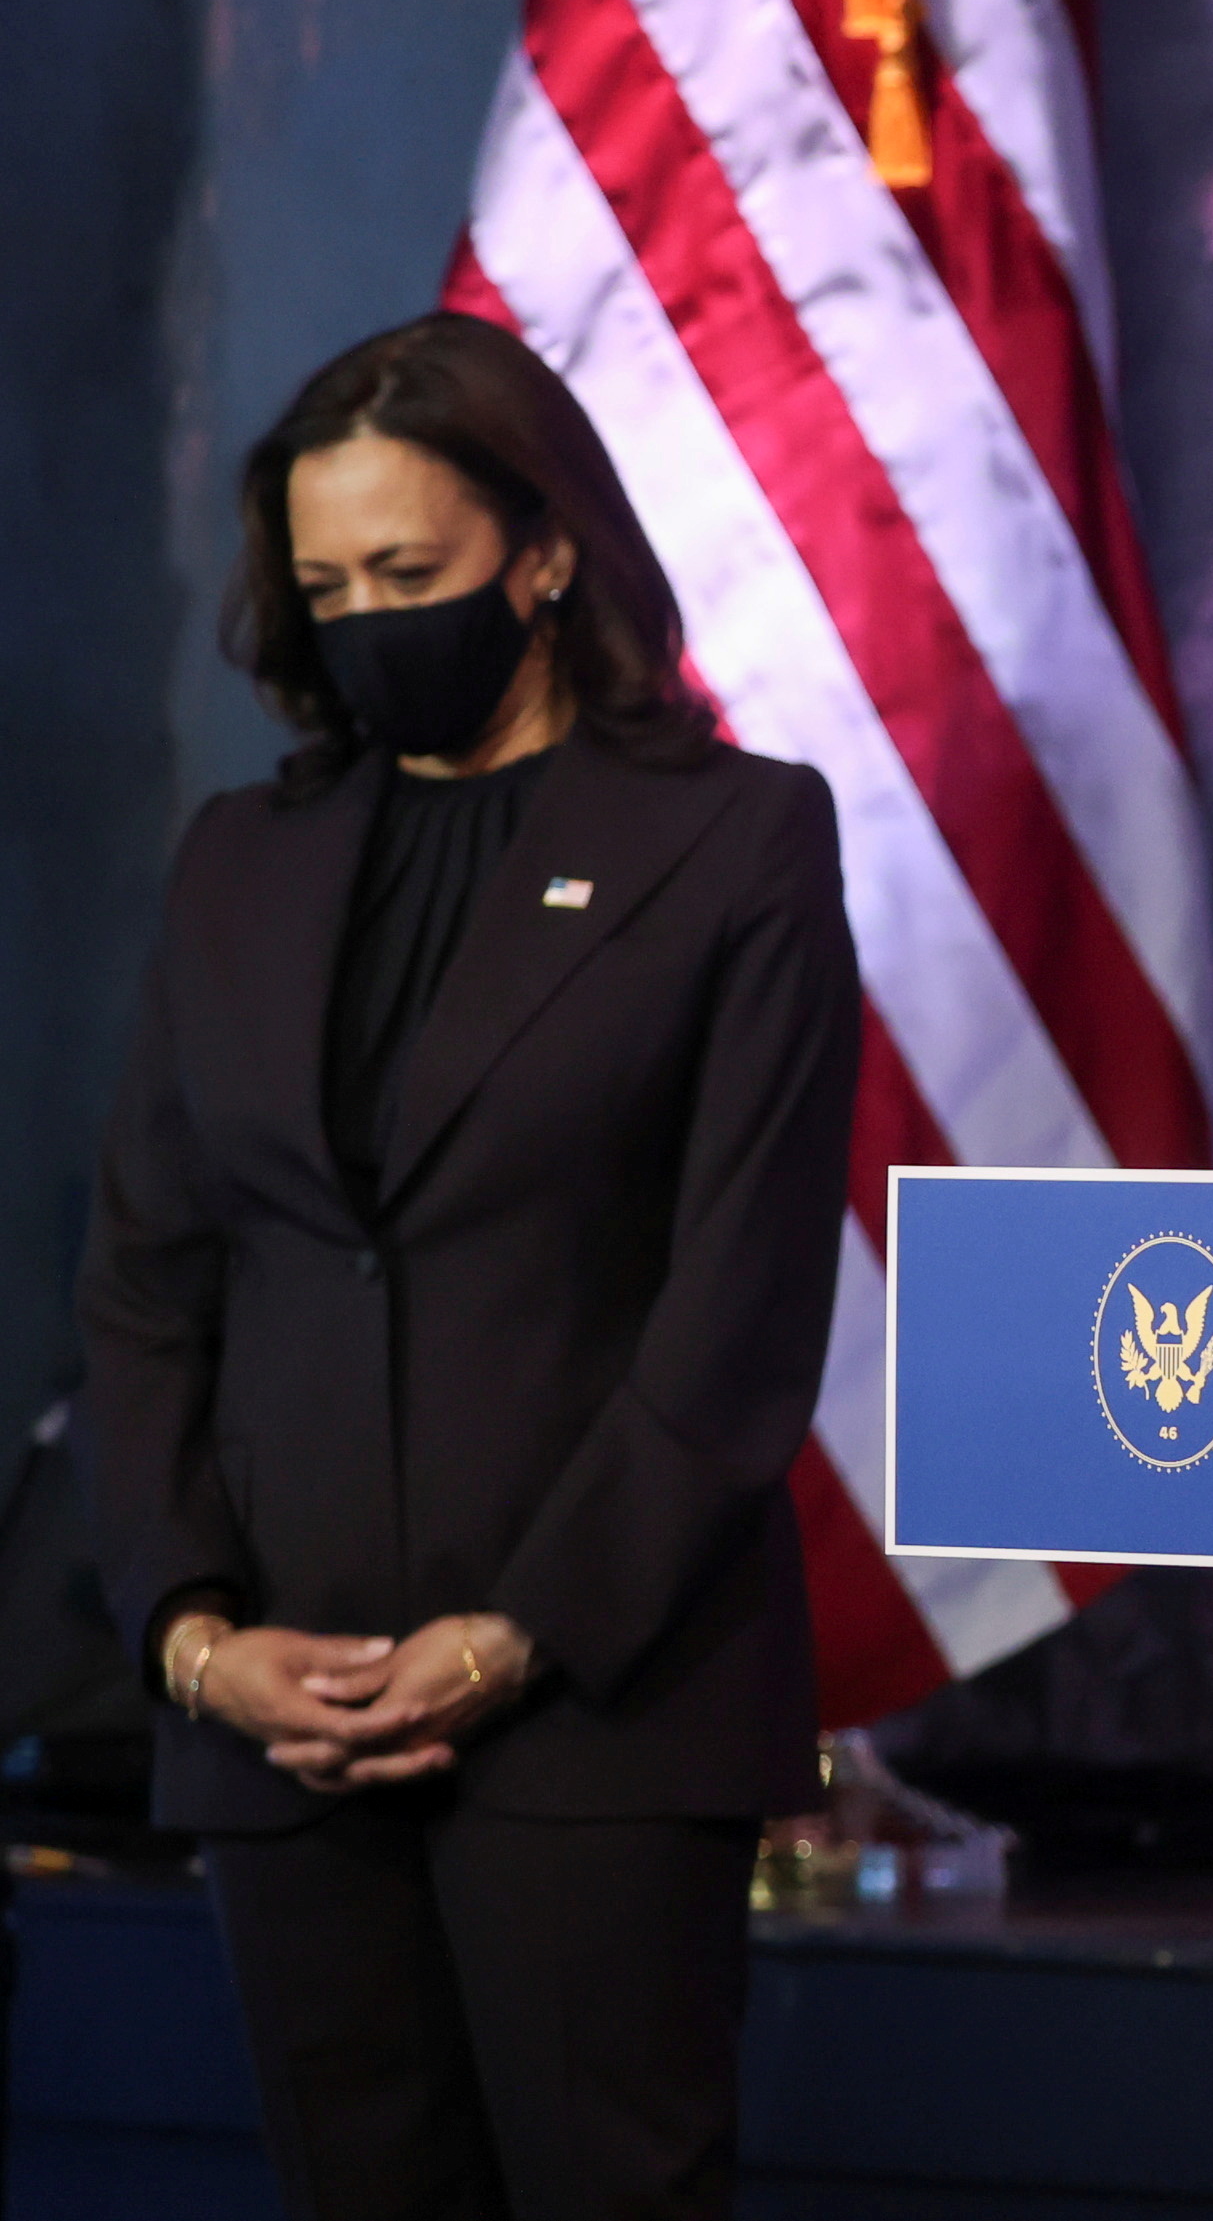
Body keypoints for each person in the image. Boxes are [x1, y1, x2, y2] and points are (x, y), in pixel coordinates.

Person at [75, 312, 859, 2221]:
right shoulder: (235, 860)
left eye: (407, 574)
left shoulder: (737, 839)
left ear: (545, 551)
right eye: (326, 585)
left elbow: (740, 1307)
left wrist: (518, 1634)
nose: (364, 620)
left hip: (594, 1702)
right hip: (283, 1711)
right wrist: (194, 1637)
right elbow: (148, 1283)